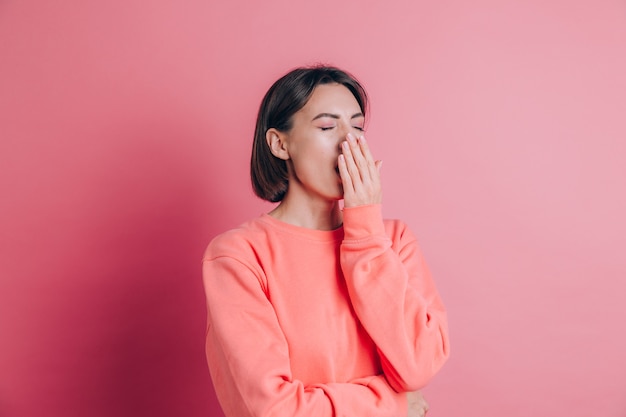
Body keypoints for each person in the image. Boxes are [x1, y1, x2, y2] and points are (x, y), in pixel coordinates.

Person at [202, 65, 450, 417]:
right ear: (279, 143)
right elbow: (274, 408)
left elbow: (418, 366)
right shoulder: (239, 256)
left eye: (358, 126)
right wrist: (392, 404)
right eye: (327, 127)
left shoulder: (393, 241)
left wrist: (365, 229)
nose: (350, 142)